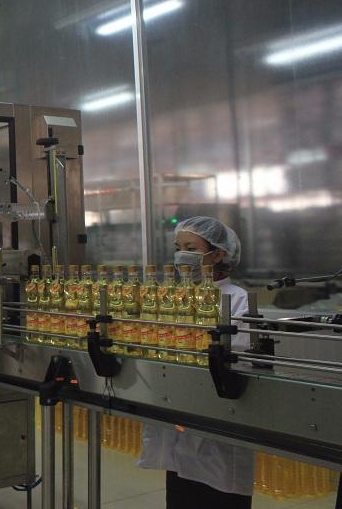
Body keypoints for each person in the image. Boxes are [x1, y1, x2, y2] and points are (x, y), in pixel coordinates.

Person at [137, 216, 253, 508]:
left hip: (218, 414)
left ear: (218, 253)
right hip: (178, 407)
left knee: (218, 492)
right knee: (180, 490)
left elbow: (237, 357)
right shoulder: (176, 295)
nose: (181, 255)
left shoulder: (237, 298)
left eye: (191, 248)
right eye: (178, 248)